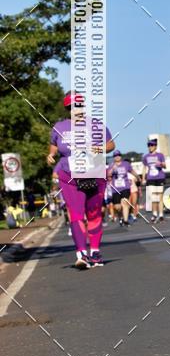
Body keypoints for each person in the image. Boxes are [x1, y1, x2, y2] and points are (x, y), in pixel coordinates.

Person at [47, 92, 114, 268]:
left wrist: (98, 147)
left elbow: (111, 145)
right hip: (69, 175)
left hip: (95, 173)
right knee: (76, 214)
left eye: (77, 106)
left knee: (94, 213)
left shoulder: (96, 125)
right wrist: (51, 154)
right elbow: (54, 144)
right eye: (70, 107)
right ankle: (82, 254)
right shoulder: (59, 127)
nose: (74, 110)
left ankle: (95, 252)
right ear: (67, 108)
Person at [107, 150, 134, 226]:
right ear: (114, 157)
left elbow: (132, 171)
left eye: (118, 155)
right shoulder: (111, 165)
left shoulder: (126, 164)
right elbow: (108, 175)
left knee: (125, 202)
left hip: (125, 187)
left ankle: (125, 221)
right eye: (115, 155)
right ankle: (120, 217)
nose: (117, 156)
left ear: (120, 156)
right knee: (117, 207)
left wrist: (138, 177)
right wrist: (112, 169)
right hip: (115, 189)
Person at [142, 139, 167, 222]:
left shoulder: (160, 155)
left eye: (152, 145)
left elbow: (165, 166)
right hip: (150, 178)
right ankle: (154, 214)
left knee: (159, 196)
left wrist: (160, 164)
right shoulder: (146, 157)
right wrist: (143, 178)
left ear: (155, 146)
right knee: (153, 197)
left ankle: (161, 215)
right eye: (148, 145)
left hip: (160, 177)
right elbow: (144, 168)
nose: (150, 147)